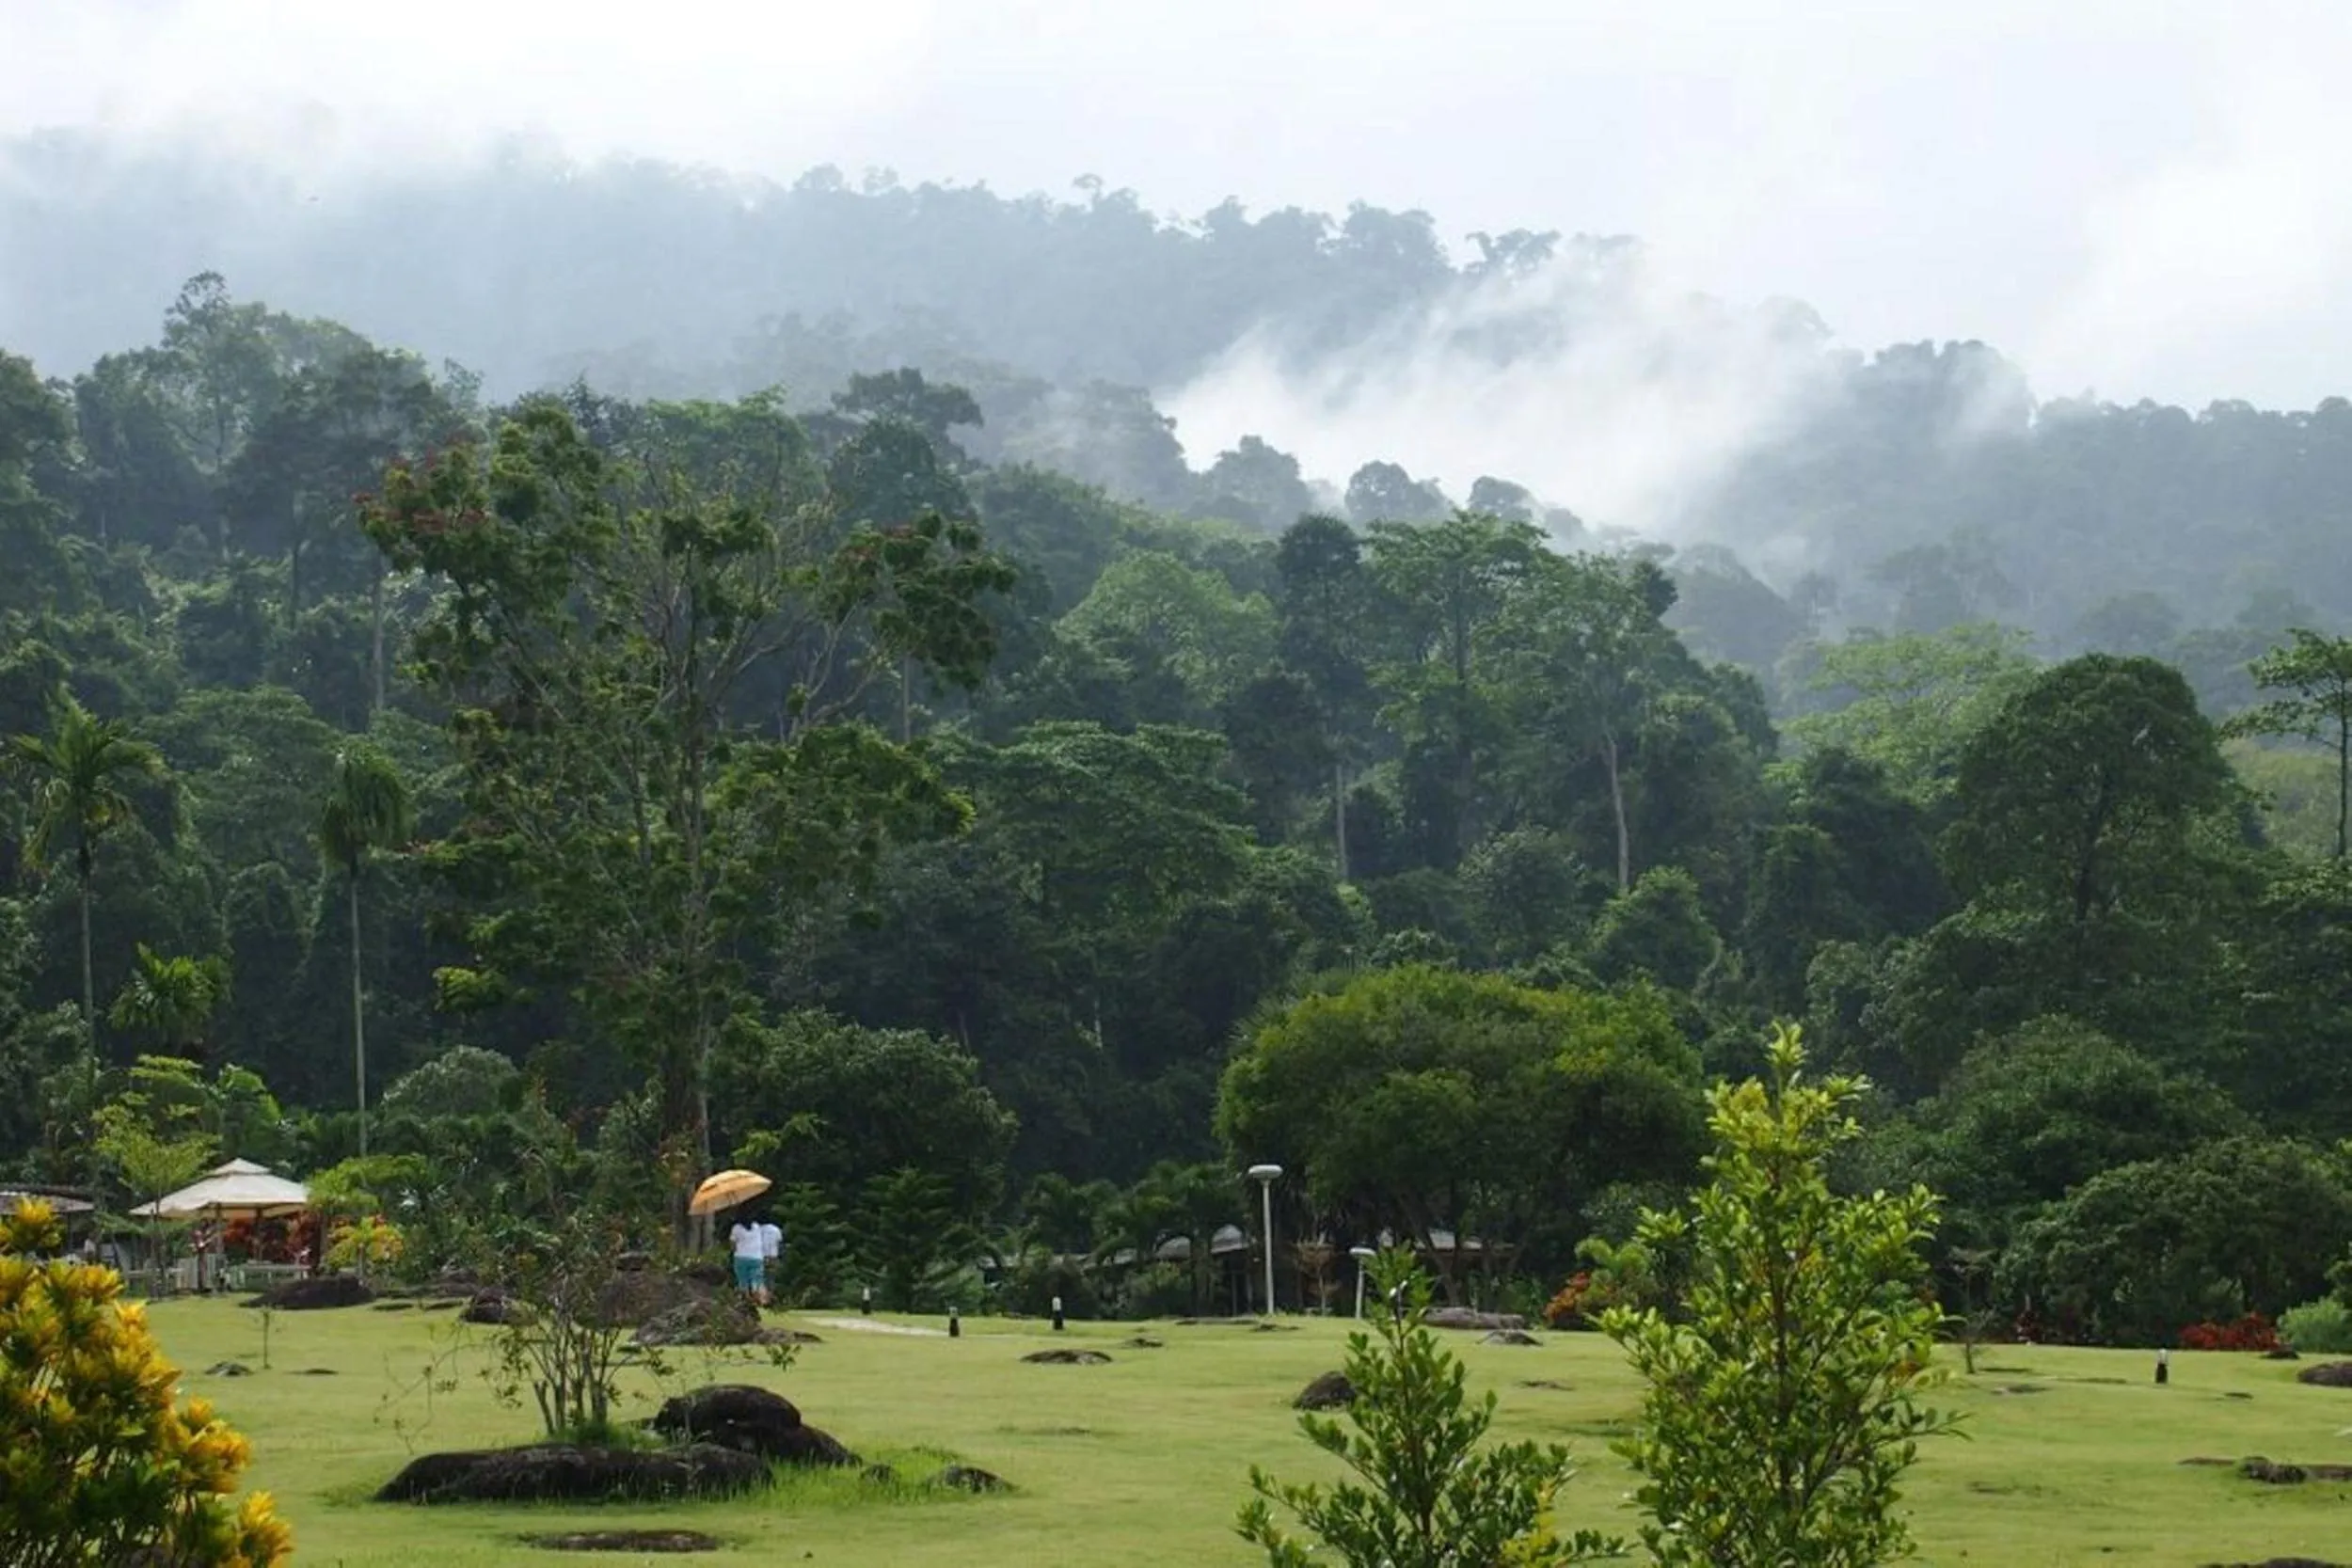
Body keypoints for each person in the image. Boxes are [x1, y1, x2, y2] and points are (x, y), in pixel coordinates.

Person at [728, 1214, 766, 1303]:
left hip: (741, 1257)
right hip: (757, 1257)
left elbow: (732, 1245)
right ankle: (758, 1297)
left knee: (743, 1280)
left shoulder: (736, 1228)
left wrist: (733, 1251)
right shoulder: (756, 1227)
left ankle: (746, 1299)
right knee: (757, 1280)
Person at [758, 1215, 784, 1304]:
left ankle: (764, 1299)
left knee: (760, 1278)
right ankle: (771, 1297)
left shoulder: (758, 1230)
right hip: (773, 1256)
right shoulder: (776, 1229)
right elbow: (779, 1244)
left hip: (761, 1256)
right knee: (771, 1278)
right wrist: (780, 1256)